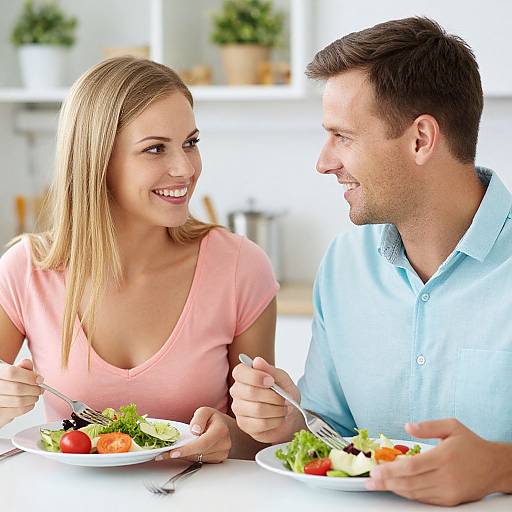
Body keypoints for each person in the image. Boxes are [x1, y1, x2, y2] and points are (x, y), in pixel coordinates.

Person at [230, 17, 512, 505]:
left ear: (421, 139)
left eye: (343, 136)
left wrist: (499, 467)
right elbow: (332, 430)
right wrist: (288, 418)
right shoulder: (345, 265)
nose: (324, 161)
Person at [0, 57, 278, 463]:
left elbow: (265, 436)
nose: (185, 168)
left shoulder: (240, 267)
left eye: (191, 142)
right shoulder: (28, 269)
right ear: (97, 162)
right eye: (154, 149)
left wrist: (233, 437)